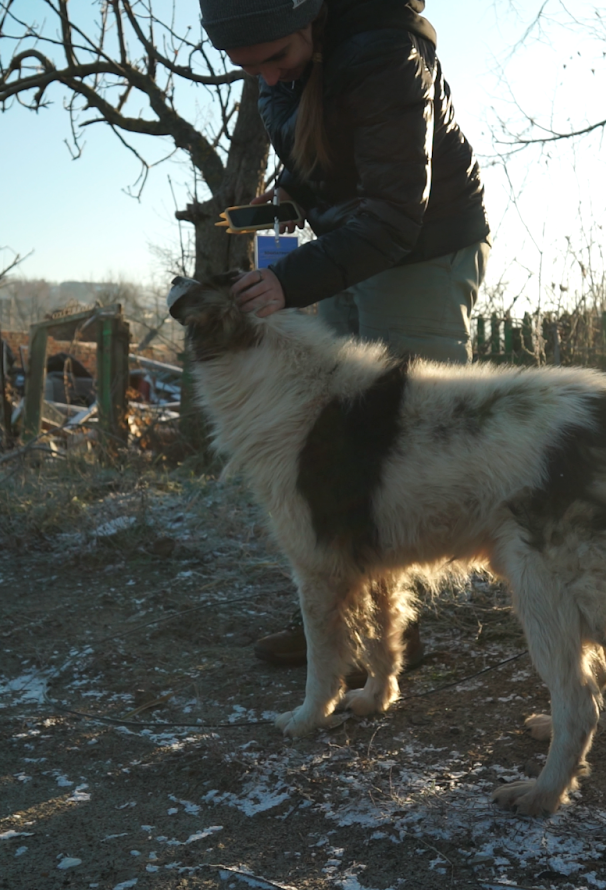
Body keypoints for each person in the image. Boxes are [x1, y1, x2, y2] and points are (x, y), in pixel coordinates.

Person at [200, 0, 490, 667]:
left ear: (310, 18)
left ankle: (398, 632)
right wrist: (272, 208)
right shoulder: (289, 65)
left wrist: (288, 283)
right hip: (348, 249)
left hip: (421, 248)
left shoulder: (385, 55)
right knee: (329, 437)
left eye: (275, 59)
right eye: (247, 69)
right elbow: (330, 170)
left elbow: (392, 213)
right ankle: (335, 619)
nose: (266, 80)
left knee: (406, 438)